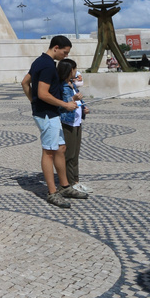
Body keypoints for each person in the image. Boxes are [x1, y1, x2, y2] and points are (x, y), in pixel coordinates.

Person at [20, 35, 87, 208]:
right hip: (47, 115)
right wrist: (64, 104)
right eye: (65, 53)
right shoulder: (48, 65)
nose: (65, 56)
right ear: (56, 47)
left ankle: (65, 186)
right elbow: (42, 93)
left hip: (50, 113)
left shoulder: (40, 61)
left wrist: (32, 101)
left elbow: (25, 82)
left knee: (60, 149)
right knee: (49, 152)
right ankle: (52, 192)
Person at [58, 58, 91, 195]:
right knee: (69, 154)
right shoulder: (60, 86)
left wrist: (84, 107)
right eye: (74, 69)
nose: (76, 71)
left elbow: (79, 100)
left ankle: (75, 181)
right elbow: (61, 103)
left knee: (76, 153)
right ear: (68, 70)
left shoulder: (72, 84)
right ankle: (68, 183)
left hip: (77, 122)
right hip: (68, 123)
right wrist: (73, 99)